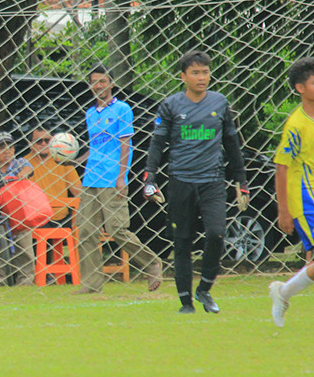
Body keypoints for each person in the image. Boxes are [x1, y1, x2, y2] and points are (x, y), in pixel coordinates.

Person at [144, 50, 248, 314]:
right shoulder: (171, 105)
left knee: (217, 234)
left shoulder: (220, 102)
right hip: (181, 181)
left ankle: (204, 289)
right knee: (182, 241)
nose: (202, 77)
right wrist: (150, 177)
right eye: (195, 72)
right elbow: (157, 144)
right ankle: (186, 303)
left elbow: (232, 143)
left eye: (205, 72)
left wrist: (241, 180)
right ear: (183, 76)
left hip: (212, 181)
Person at [74, 66, 163, 296]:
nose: (98, 86)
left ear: (111, 84)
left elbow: (126, 144)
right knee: (85, 230)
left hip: (112, 178)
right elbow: (95, 147)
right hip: (91, 178)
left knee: (117, 229)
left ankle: (152, 263)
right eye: (94, 82)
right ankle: (92, 283)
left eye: (102, 81)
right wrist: (73, 160)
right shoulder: (90, 113)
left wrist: (121, 177)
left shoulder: (122, 109)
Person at [269, 57, 314, 326]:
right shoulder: (296, 124)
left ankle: (282, 292)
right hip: (305, 199)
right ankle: (283, 293)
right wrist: (283, 211)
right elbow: (282, 167)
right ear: (300, 88)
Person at [0, 131, 35, 285]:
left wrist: (20, 176)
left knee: (23, 244)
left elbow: (28, 169)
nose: (7, 150)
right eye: (1, 147)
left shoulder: (20, 163)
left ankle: (26, 280)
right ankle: (0, 279)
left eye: (10, 146)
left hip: (19, 212)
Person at [24, 127, 81, 226]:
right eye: (38, 141)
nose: (43, 144)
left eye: (47, 140)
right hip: (36, 218)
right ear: (30, 144)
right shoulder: (23, 164)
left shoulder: (62, 159)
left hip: (63, 217)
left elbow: (78, 192)